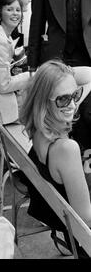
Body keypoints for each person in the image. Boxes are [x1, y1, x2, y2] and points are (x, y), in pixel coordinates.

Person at [28, 0, 91, 150]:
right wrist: (33, 66)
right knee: (54, 115)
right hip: (56, 59)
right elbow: (36, 22)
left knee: (85, 114)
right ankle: (50, 163)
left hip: (87, 57)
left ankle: (82, 160)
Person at [19, 60, 91, 256]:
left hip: (58, 215)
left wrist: (59, 74)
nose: (73, 104)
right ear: (44, 100)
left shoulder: (39, 127)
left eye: (75, 95)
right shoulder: (67, 149)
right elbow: (86, 219)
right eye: (63, 99)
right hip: (83, 240)